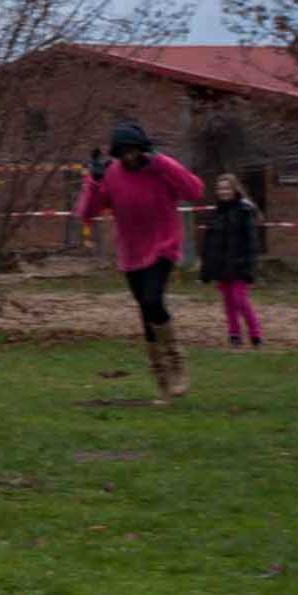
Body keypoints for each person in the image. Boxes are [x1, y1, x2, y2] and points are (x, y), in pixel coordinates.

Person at [74, 121, 205, 400]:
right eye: (124, 153)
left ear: (143, 149)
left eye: (134, 151)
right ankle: (162, 380)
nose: (130, 158)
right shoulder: (112, 175)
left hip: (163, 245)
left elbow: (195, 191)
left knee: (151, 300)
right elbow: (86, 212)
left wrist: (162, 163)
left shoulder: (160, 168)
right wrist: (93, 181)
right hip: (131, 254)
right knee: (146, 314)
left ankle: (176, 361)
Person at [199, 172, 263, 347]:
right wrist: (206, 268)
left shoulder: (244, 211)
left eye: (227, 188)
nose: (223, 191)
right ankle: (234, 333)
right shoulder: (215, 213)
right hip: (221, 265)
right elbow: (209, 243)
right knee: (228, 301)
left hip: (239, 264)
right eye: (220, 188)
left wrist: (250, 267)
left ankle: (255, 334)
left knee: (240, 300)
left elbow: (251, 241)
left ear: (234, 189)